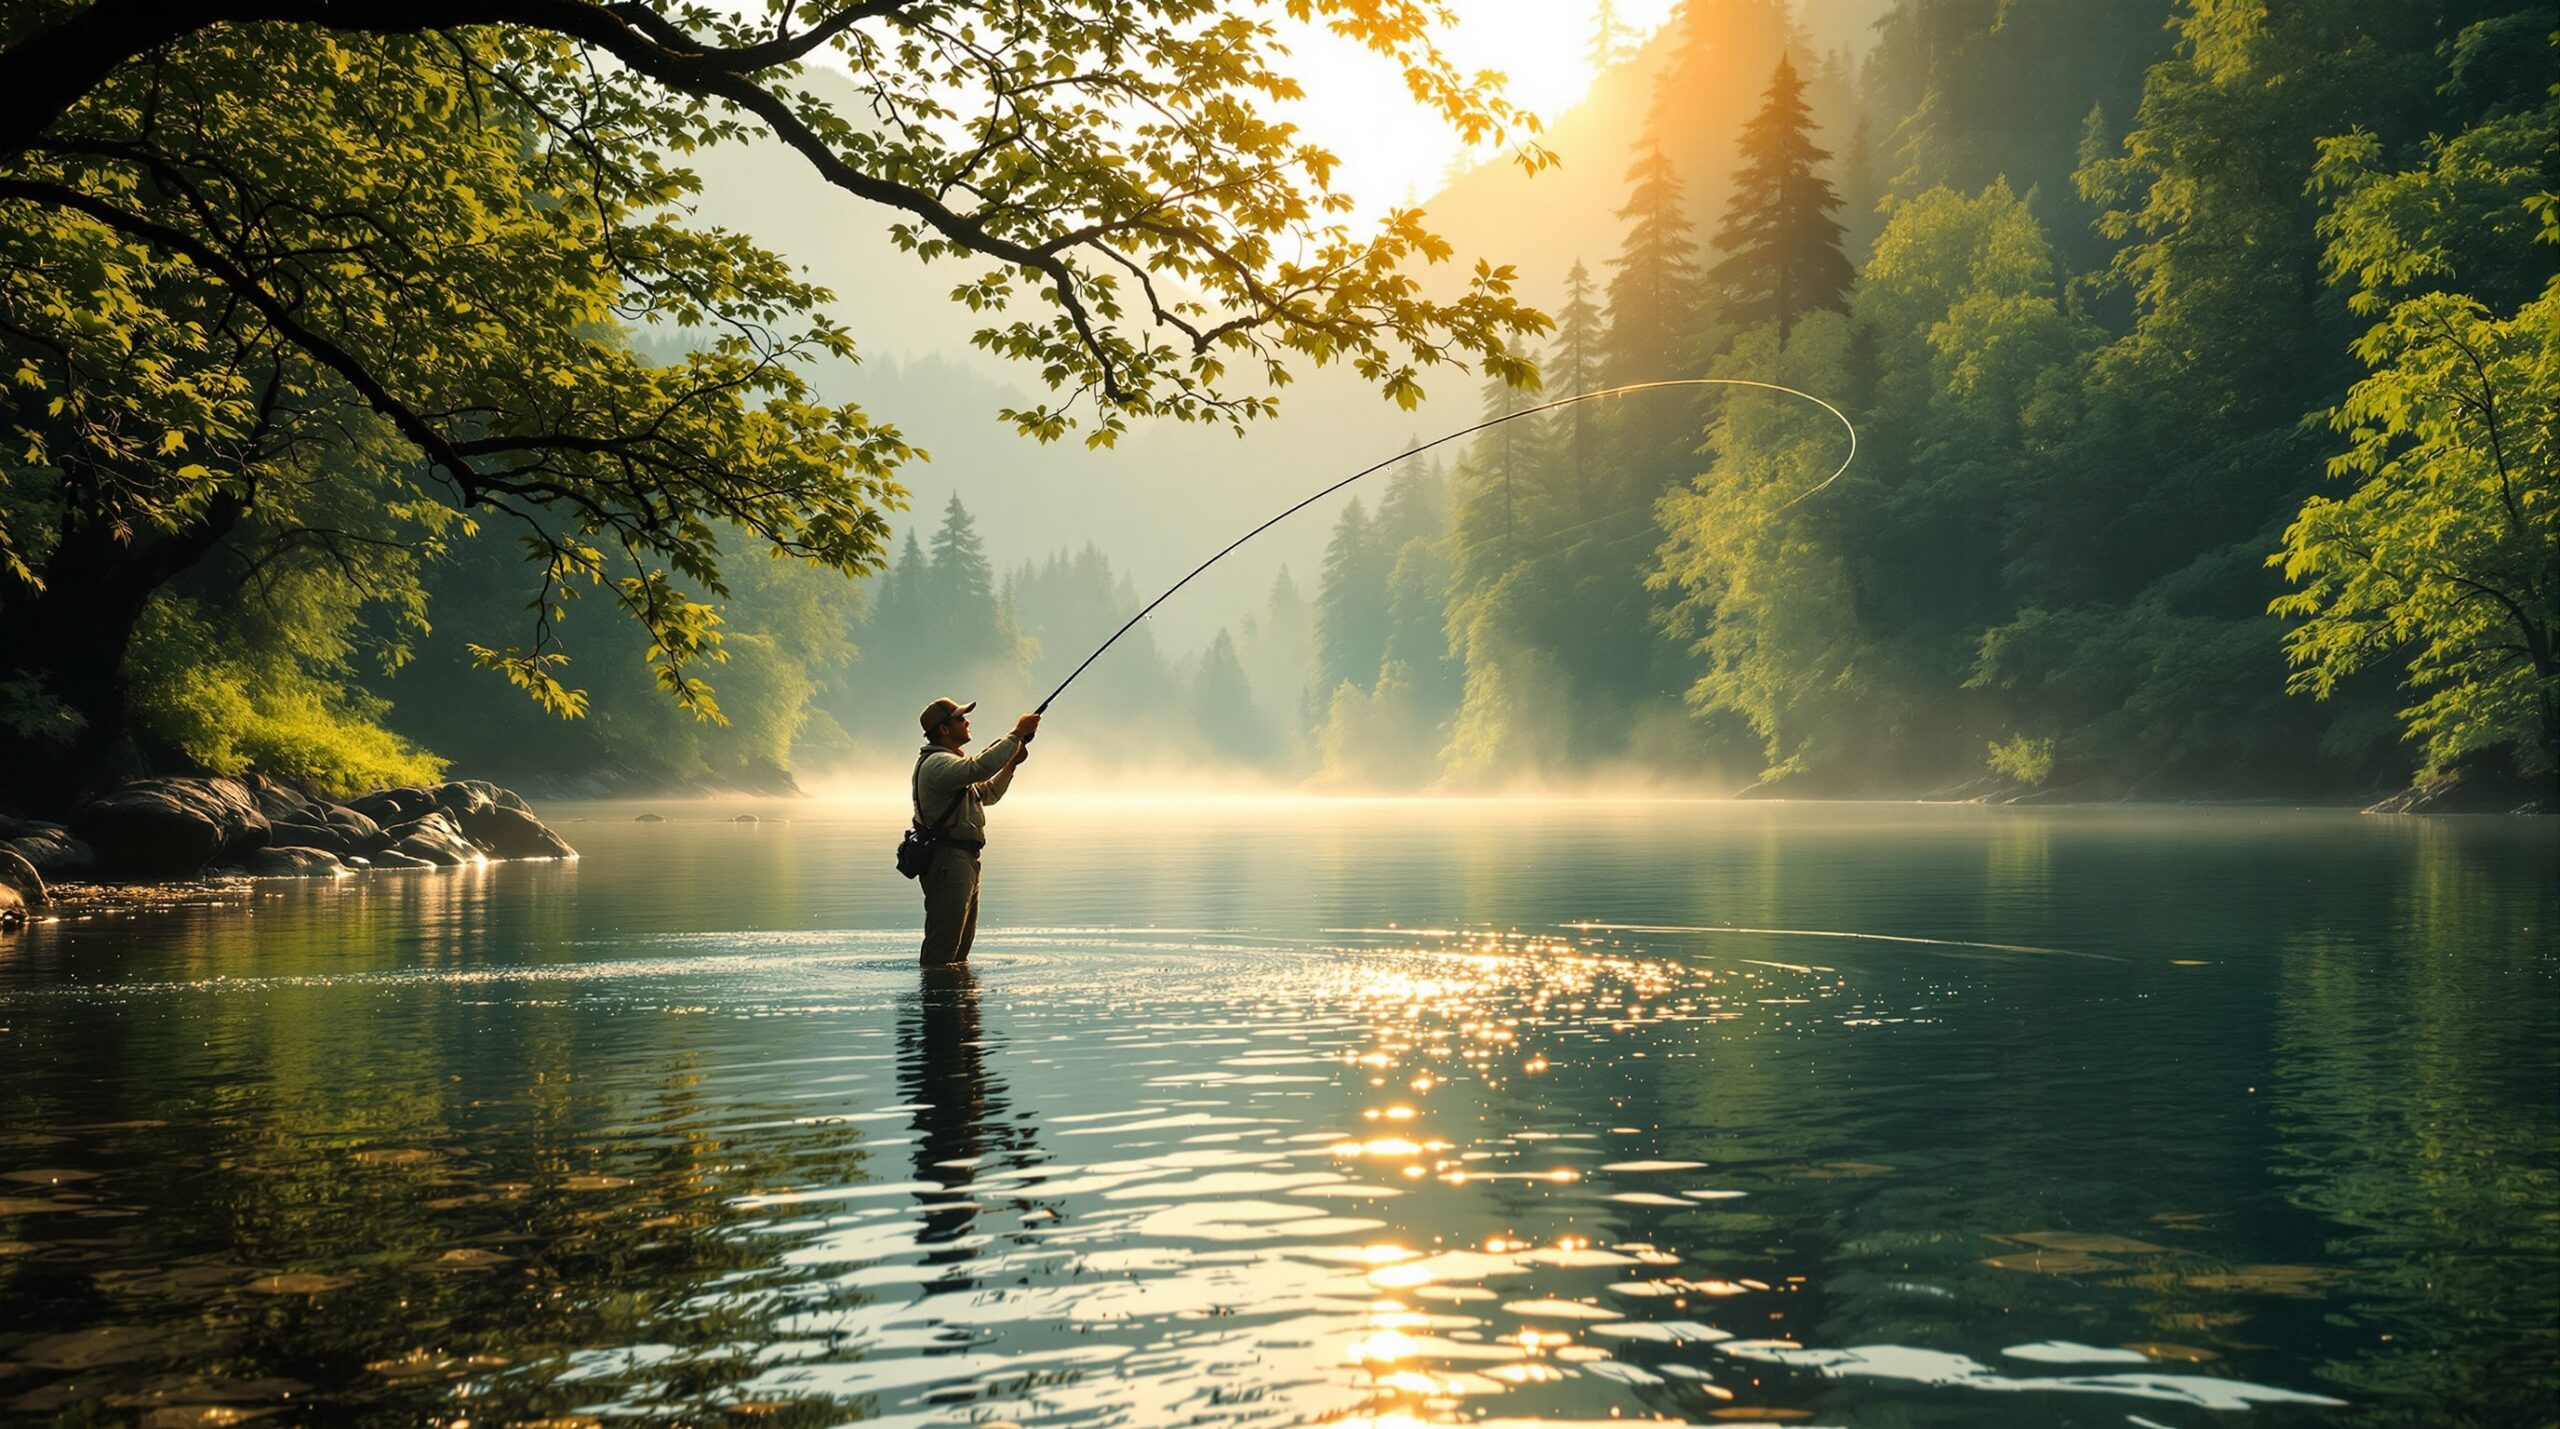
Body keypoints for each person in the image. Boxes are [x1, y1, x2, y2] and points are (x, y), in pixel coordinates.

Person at [912, 697, 1039, 966]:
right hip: (948, 862)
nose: (967, 721)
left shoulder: (950, 766)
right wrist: (1016, 733)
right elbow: (978, 767)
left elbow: (988, 793)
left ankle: (956, 1003)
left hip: (964, 862)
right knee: (943, 949)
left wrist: (1011, 764)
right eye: (960, 719)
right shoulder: (938, 764)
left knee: (959, 951)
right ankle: (937, 1001)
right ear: (944, 730)